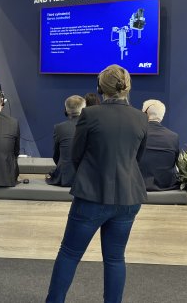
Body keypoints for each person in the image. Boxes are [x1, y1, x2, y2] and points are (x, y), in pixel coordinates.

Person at [46, 65, 148, 303]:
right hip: (128, 198)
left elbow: (75, 155)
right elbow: (138, 158)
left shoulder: (90, 115)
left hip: (91, 196)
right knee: (115, 258)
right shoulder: (141, 118)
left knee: (69, 253)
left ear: (101, 88)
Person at [139, 99, 180, 191]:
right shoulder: (173, 137)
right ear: (162, 116)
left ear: (145, 114)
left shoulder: (136, 134)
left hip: (138, 187)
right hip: (166, 188)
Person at [46, 95, 86, 187]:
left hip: (65, 177)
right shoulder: (91, 126)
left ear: (66, 110)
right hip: (85, 179)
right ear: (84, 110)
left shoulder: (59, 128)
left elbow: (56, 155)